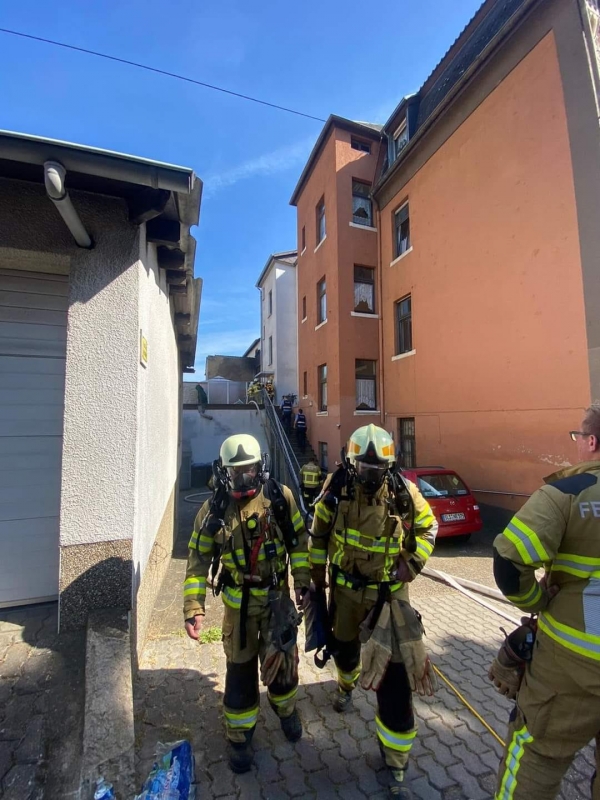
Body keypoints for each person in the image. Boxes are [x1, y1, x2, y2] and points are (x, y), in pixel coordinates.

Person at [309, 424, 438, 799]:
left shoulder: (403, 492)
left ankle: (395, 760)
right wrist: (317, 583)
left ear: (389, 466)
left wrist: (410, 565)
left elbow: (429, 528)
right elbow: (317, 539)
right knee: (345, 653)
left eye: (376, 470)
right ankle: (346, 686)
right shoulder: (335, 490)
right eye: (363, 469)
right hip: (347, 595)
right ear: (351, 465)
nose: (370, 476)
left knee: (395, 680)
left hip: (391, 600)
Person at [491, 405, 600, 800]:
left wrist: (535, 600)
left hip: (571, 667)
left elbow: (508, 559)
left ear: (591, 442)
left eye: (578, 438)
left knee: (534, 759)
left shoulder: (568, 493)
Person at [183, 434, 310, 773]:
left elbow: (298, 543)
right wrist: (193, 608)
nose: (244, 479)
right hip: (238, 612)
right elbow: (197, 561)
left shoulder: (280, 498)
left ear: (261, 468)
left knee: (283, 667)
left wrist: (303, 582)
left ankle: (286, 713)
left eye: (250, 471)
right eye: (236, 472)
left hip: (276, 604)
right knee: (239, 676)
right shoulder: (213, 510)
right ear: (223, 472)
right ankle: (240, 737)